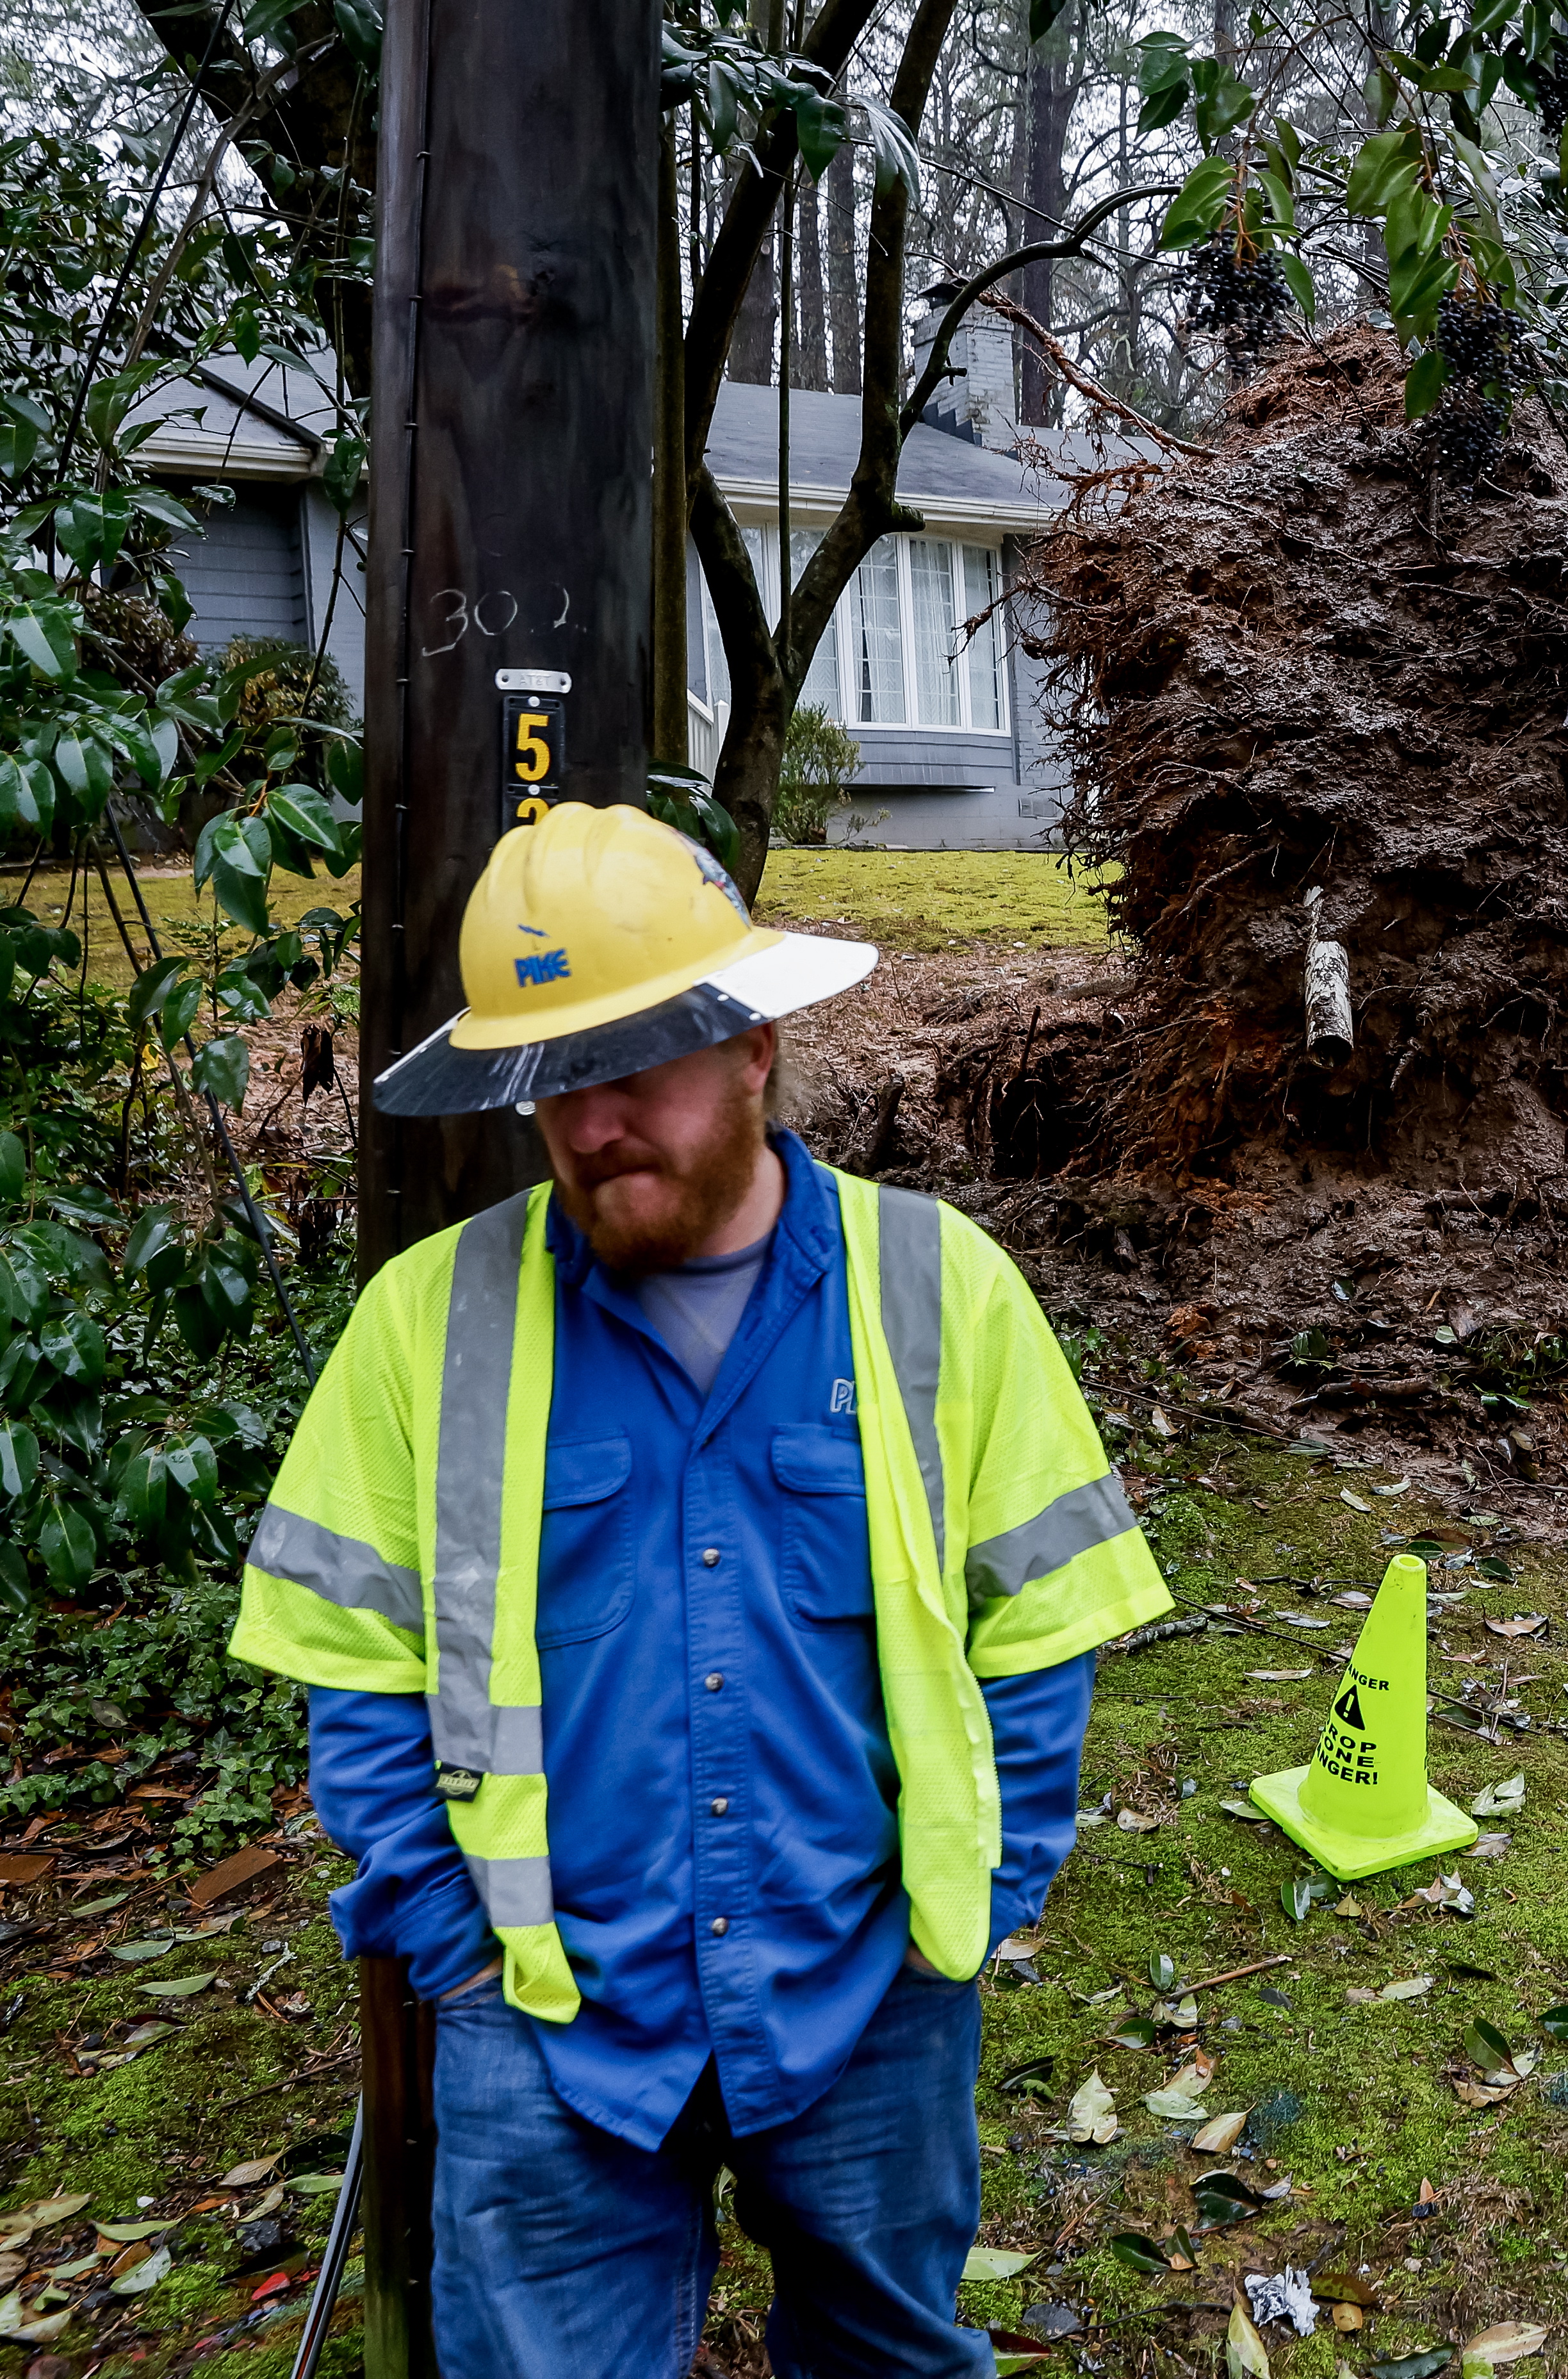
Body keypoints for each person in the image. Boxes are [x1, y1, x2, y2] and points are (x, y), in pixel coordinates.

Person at [229, 805, 1170, 2375]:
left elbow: (1040, 1642)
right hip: (543, 2024)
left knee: (889, 2357)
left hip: (869, 1996)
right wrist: (458, 1949)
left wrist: (969, 1923)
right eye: (550, 1080)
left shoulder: (940, 1287)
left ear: (752, 1041)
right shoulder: (424, 1326)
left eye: (634, 1063)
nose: (590, 1123)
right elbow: (359, 1673)